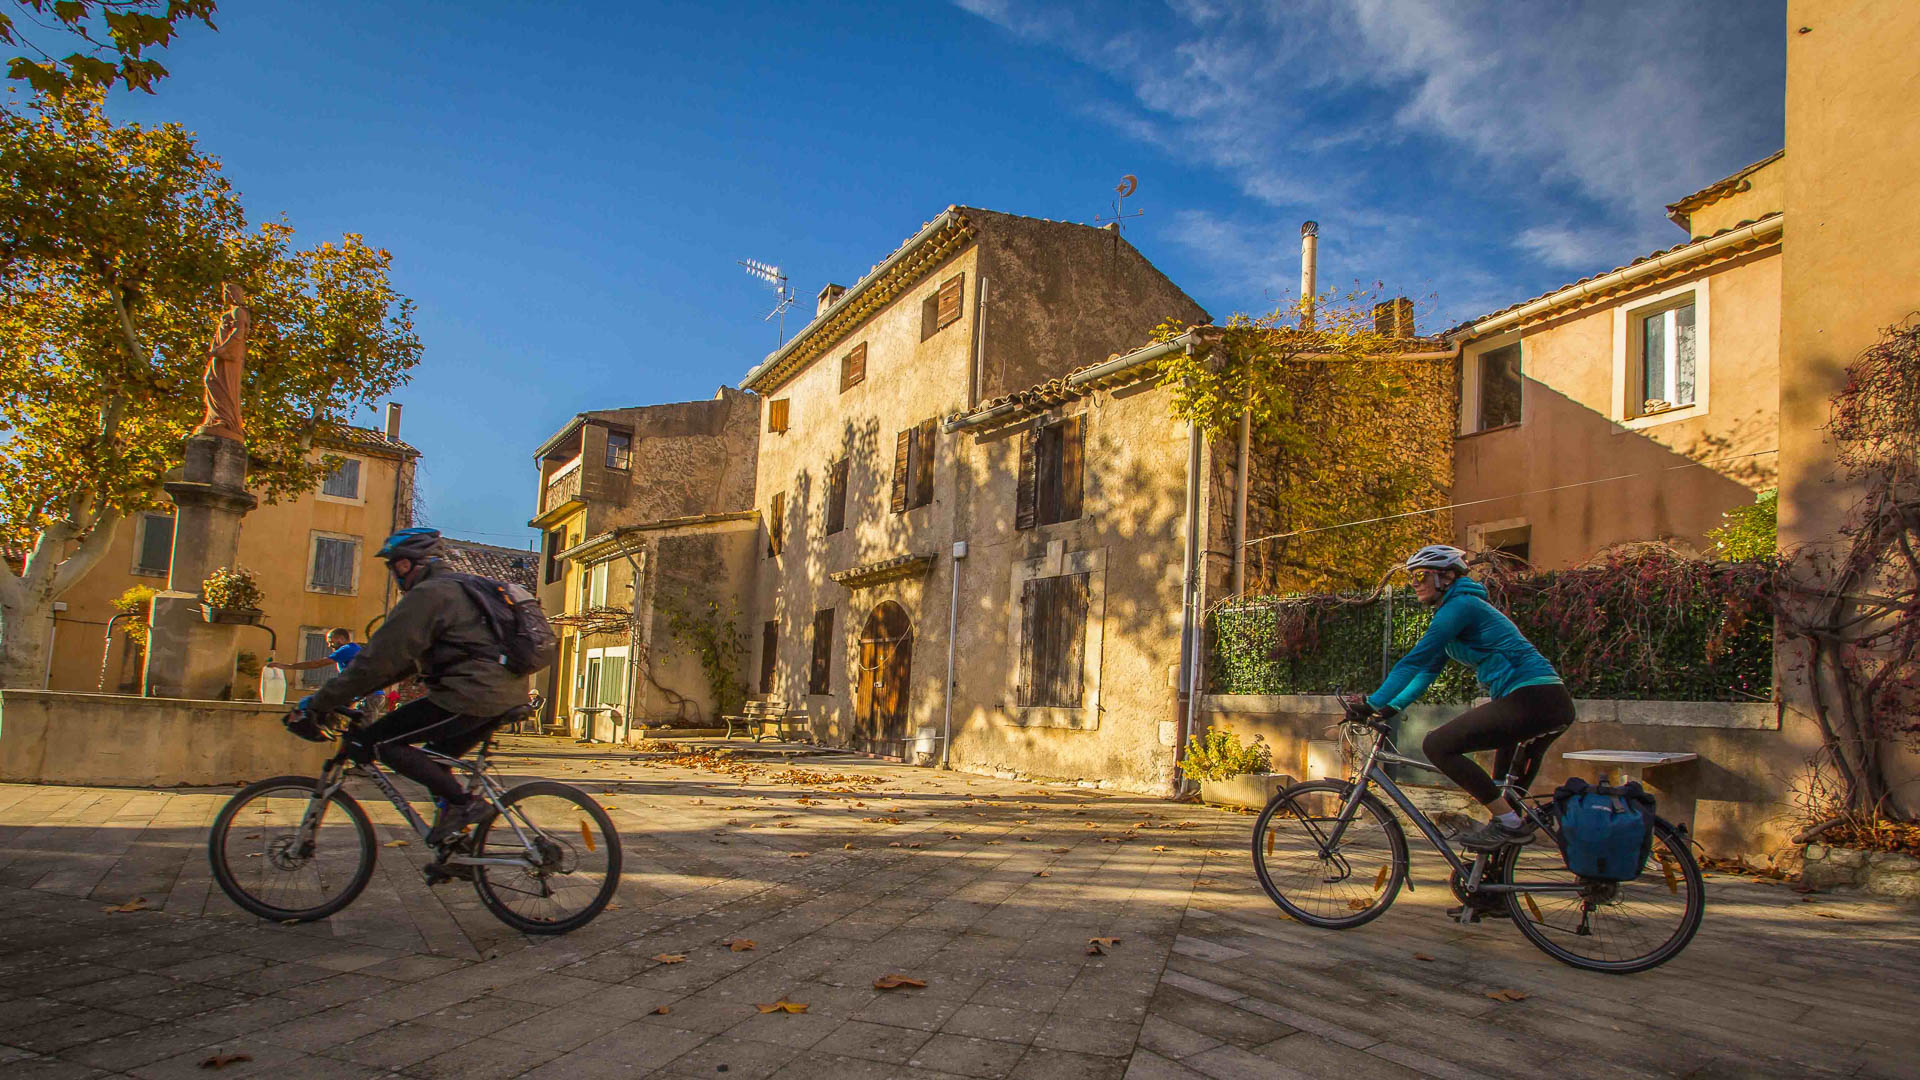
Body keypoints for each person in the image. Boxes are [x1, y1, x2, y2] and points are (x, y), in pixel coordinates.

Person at [290, 528, 527, 846]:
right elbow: (401, 665)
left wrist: (319, 702)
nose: (394, 575)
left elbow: (376, 659)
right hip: (498, 691)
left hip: (471, 694)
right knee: (436, 759)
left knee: (382, 744)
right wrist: (345, 695)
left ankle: (464, 806)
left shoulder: (428, 596)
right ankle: (455, 837)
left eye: (396, 566)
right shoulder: (458, 589)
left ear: (414, 564)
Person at [1344, 545, 1576, 851]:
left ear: (1447, 577)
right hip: (1539, 702)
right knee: (1504, 807)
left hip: (1533, 698)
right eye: (1411, 577)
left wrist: (1372, 702)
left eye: (1420, 575)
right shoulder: (1456, 611)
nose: (1414, 582)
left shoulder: (1462, 607)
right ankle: (1491, 890)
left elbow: (1413, 660)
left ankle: (1509, 825)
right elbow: (1426, 672)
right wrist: (1390, 707)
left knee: (1437, 745)